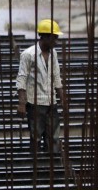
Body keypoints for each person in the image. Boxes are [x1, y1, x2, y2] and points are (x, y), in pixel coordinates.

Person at [16, 19, 69, 158]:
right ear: (44, 37)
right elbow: (21, 79)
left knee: (54, 138)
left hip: (51, 102)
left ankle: (52, 166)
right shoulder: (28, 55)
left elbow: (56, 76)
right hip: (35, 104)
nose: (56, 41)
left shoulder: (54, 54)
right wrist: (22, 104)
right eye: (54, 38)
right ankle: (36, 166)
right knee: (36, 137)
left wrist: (62, 98)